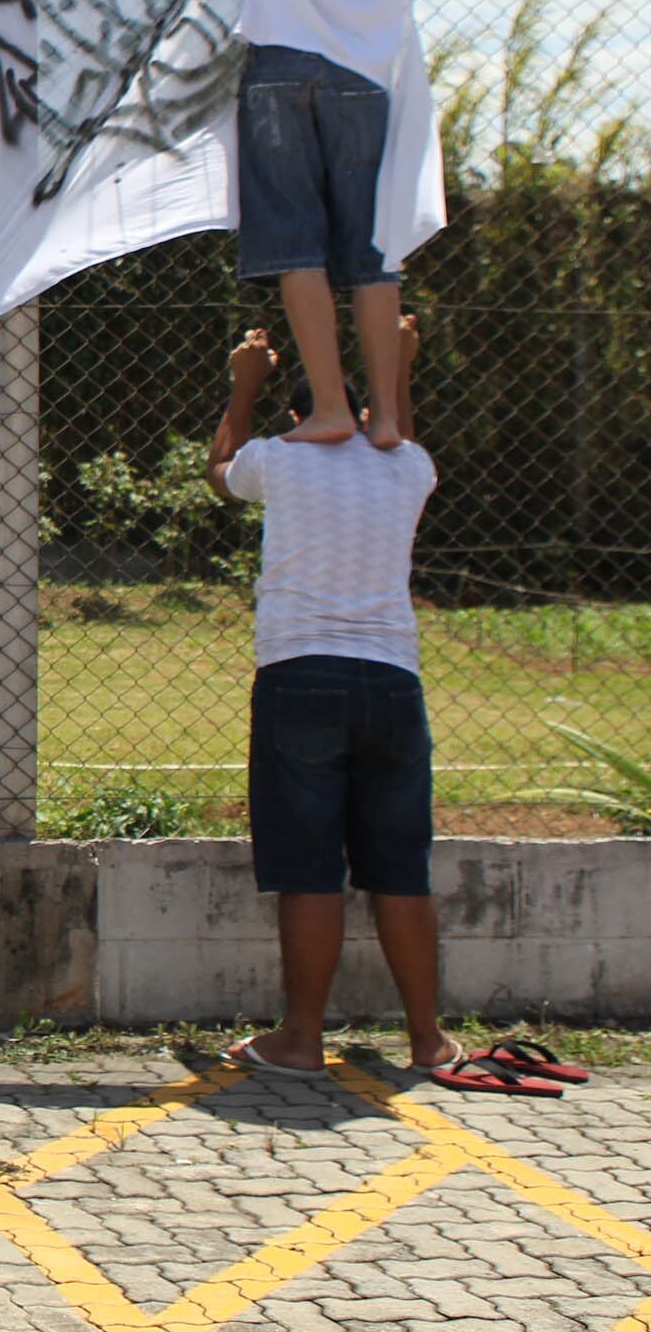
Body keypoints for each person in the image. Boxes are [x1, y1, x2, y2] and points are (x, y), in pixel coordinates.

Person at [205, 319, 456, 1077]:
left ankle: (301, 1039)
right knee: (399, 866)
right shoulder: (408, 466)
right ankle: (427, 1040)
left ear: (298, 417)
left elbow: (219, 470)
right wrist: (399, 372)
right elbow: (397, 437)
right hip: (392, 682)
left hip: (300, 677)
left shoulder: (280, 460)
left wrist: (243, 386)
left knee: (310, 868)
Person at [223, 0, 459, 449]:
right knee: (373, 253)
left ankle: (329, 404)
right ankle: (384, 415)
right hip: (365, 76)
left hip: (281, 67)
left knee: (297, 241)